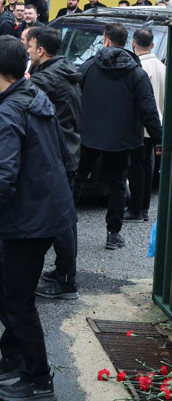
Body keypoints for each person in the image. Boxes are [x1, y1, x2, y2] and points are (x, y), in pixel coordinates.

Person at [0, 35, 75, 401]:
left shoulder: (9, 112)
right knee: (0, 278)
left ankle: (38, 380)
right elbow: (3, 93)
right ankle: (15, 355)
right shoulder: (30, 92)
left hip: (32, 217)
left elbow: (2, 178)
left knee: (18, 299)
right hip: (43, 210)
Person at [76, 23, 162, 250]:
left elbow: (75, 96)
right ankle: (113, 234)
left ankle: (64, 225)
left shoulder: (89, 67)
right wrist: (160, 140)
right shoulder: (136, 73)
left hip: (89, 135)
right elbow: (149, 111)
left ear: (105, 40)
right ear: (127, 42)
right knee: (116, 185)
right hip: (121, 139)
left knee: (77, 180)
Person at [19, 28, 83, 300]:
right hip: (68, 148)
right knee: (64, 218)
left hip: (61, 153)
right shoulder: (63, 68)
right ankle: (62, 272)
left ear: (41, 50)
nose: (28, 51)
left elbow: (15, 93)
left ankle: (67, 281)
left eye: (30, 46)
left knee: (62, 222)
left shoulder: (49, 77)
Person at [125, 28, 165, 222]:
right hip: (157, 123)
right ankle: (145, 208)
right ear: (152, 44)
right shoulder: (162, 66)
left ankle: (136, 208)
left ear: (133, 44)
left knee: (136, 168)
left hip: (141, 124)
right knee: (148, 168)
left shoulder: (138, 67)